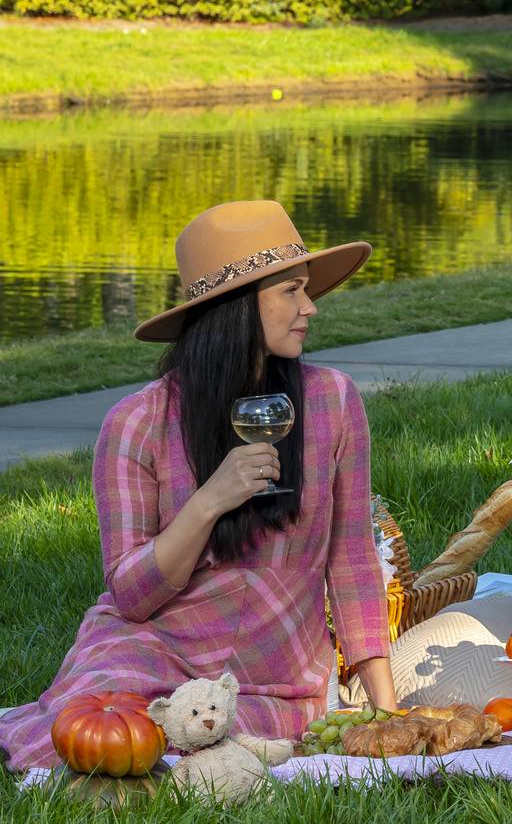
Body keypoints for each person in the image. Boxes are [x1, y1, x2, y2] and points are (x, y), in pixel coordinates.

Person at [0, 201, 394, 770]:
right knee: (106, 733)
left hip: (276, 679)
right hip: (152, 651)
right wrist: (208, 500)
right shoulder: (137, 423)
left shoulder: (333, 402)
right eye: (290, 291)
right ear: (235, 307)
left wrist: (387, 711)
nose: (310, 307)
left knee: (195, 745)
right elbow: (133, 597)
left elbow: (351, 559)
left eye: (305, 289)